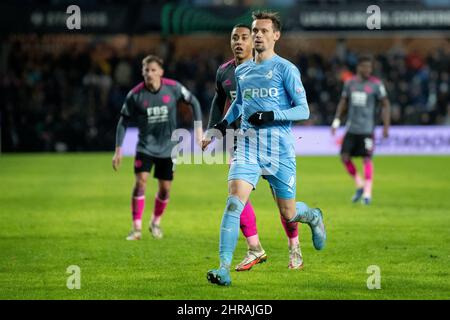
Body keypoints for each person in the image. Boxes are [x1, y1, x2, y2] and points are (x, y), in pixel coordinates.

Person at [206, 11, 326, 286]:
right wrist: (224, 124)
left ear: (275, 35)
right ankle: (223, 267)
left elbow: (303, 109)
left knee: (289, 212)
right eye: (255, 31)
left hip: (278, 150)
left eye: (263, 31)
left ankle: (313, 216)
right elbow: (240, 103)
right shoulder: (242, 70)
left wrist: (273, 115)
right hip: (247, 147)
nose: (258, 35)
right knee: (234, 201)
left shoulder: (286, 69)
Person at [202, 24, 302, 271]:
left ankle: (294, 244)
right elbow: (221, 101)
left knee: (285, 207)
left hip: (273, 141)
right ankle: (253, 248)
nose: (239, 42)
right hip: (240, 139)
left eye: (244, 37)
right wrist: (213, 129)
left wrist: (272, 115)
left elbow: (298, 107)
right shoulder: (226, 72)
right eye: (234, 37)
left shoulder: (272, 68)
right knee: (236, 195)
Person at [113, 55, 203, 240]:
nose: (150, 74)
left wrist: (198, 129)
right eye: (146, 70)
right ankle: (136, 228)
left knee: (165, 189)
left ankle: (155, 223)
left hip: (168, 148)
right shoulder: (135, 95)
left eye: (153, 70)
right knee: (141, 182)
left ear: (161, 72)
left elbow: (193, 101)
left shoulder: (173, 88)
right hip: (145, 147)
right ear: (142, 72)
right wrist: (118, 150)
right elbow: (123, 122)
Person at [331, 55, 390, 205]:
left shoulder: (376, 85)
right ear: (359, 68)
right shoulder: (350, 83)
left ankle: (367, 193)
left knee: (367, 158)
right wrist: (336, 121)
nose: (368, 70)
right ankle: (359, 183)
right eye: (365, 67)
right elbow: (343, 103)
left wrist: (385, 126)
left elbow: (386, 105)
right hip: (351, 128)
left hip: (367, 130)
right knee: (344, 157)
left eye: (370, 67)